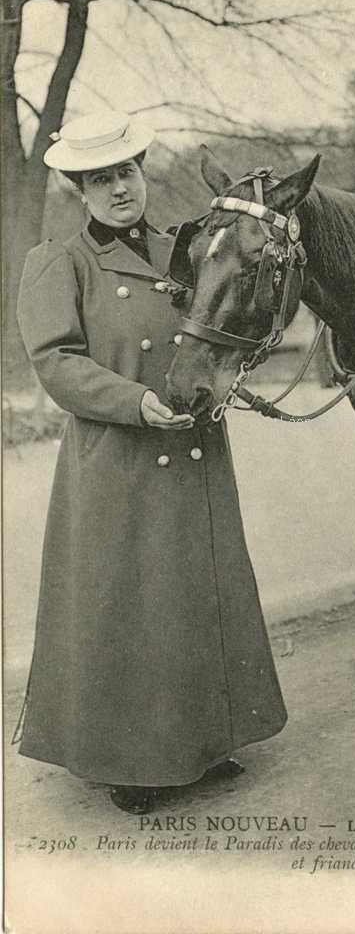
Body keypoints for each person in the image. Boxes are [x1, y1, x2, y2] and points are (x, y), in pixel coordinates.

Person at [15, 111, 287, 815]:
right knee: (132, 606)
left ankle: (201, 742)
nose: (117, 189)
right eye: (100, 180)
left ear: (142, 174)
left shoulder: (184, 251)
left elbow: (223, 329)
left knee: (198, 594)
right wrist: (135, 402)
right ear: (81, 191)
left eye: (126, 173)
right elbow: (55, 363)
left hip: (194, 448)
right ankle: (132, 763)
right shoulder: (60, 261)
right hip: (119, 457)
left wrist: (228, 379)